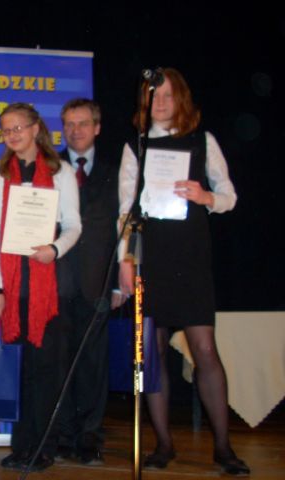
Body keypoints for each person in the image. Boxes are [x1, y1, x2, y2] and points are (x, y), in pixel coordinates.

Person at [118, 67, 249, 476]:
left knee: (205, 351)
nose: (160, 102)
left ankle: (223, 448)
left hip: (190, 258)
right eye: (153, 95)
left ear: (181, 100)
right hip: (152, 258)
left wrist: (205, 196)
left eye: (168, 95)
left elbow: (229, 197)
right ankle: (163, 444)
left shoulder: (202, 140)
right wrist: (126, 259)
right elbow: (125, 211)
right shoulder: (135, 146)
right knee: (152, 355)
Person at [0, 102, 82, 472]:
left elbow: (74, 225)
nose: (13, 135)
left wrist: (54, 249)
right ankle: (22, 445)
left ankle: (43, 446)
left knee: (46, 369)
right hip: (12, 288)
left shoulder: (61, 172)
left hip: (48, 287)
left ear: (36, 128)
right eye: (6, 130)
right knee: (21, 370)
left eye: (19, 128)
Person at [55, 98, 125, 465]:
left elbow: (123, 229)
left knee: (93, 364)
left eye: (82, 123)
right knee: (60, 360)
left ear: (97, 127)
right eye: (68, 124)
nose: (75, 130)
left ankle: (89, 437)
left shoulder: (118, 172)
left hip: (98, 281)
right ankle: (63, 434)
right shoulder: (51, 168)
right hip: (57, 280)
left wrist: (118, 283)